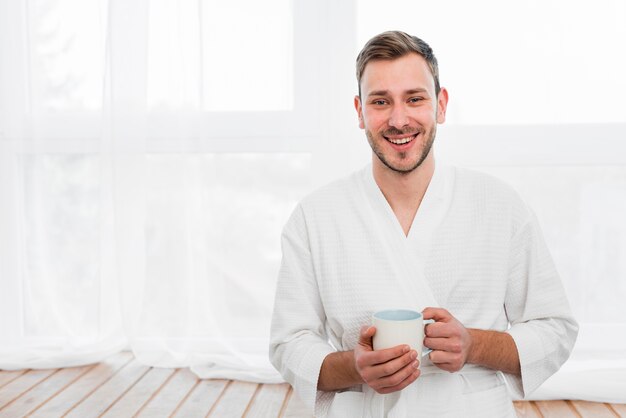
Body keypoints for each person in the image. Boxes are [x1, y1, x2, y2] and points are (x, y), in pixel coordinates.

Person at [269, 30, 578, 418]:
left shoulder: (499, 205)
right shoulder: (315, 216)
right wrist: (355, 367)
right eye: (380, 102)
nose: (399, 120)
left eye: (415, 98)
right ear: (360, 111)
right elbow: (288, 343)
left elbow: (555, 328)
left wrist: (474, 345)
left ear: (441, 104)